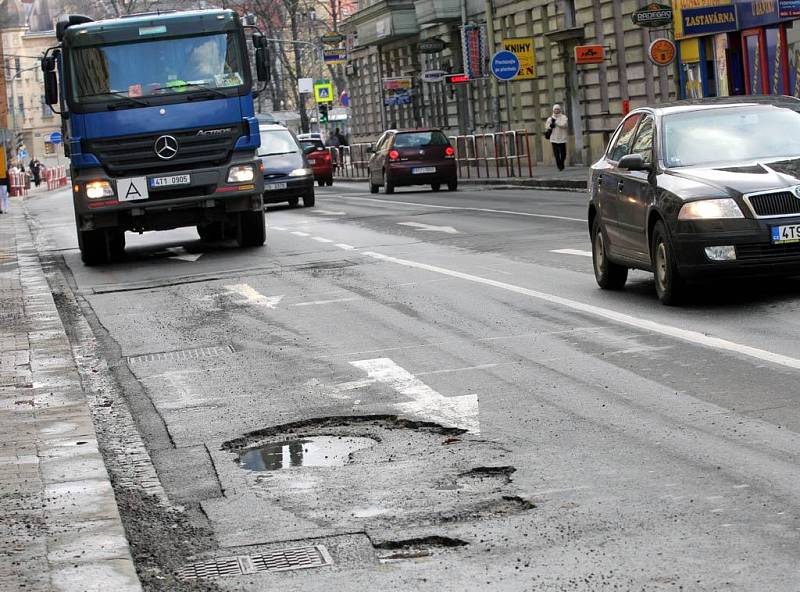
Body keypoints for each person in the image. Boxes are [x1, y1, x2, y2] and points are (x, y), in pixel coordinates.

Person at [546, 104, 569, 171]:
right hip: (554, 138)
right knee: (556, 154)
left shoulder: (564, 117)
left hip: (562, 138)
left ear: (560, 110)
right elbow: (547, 126)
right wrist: (551, 125)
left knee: (563, 153)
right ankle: (559, 166)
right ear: (553, 110)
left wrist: (556, 122)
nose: (556, 110)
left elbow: (564, 125)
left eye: (558, 109)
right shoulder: (550, 118)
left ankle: (562, 163)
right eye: (555, 109)